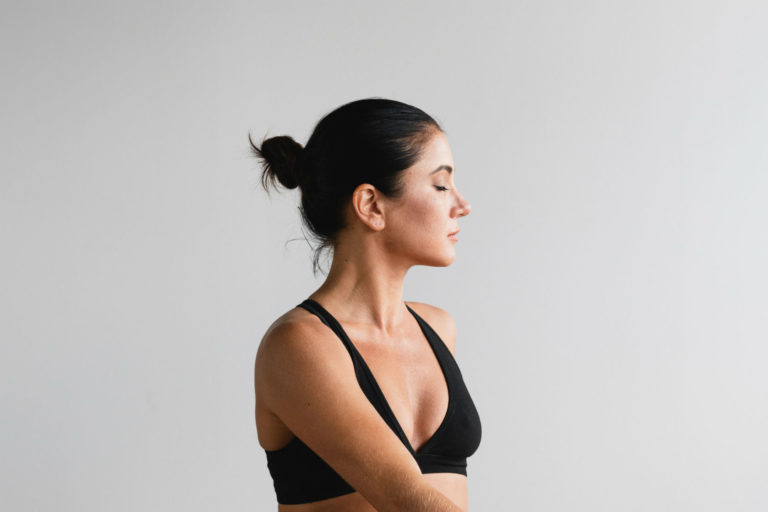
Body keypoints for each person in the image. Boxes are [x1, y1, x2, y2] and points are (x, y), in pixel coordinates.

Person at [250, 98, 481, 511]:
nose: (462, 205)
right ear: (371, 205)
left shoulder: (438, 328)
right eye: (441, 185)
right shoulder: (298, 345)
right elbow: (408, 500)